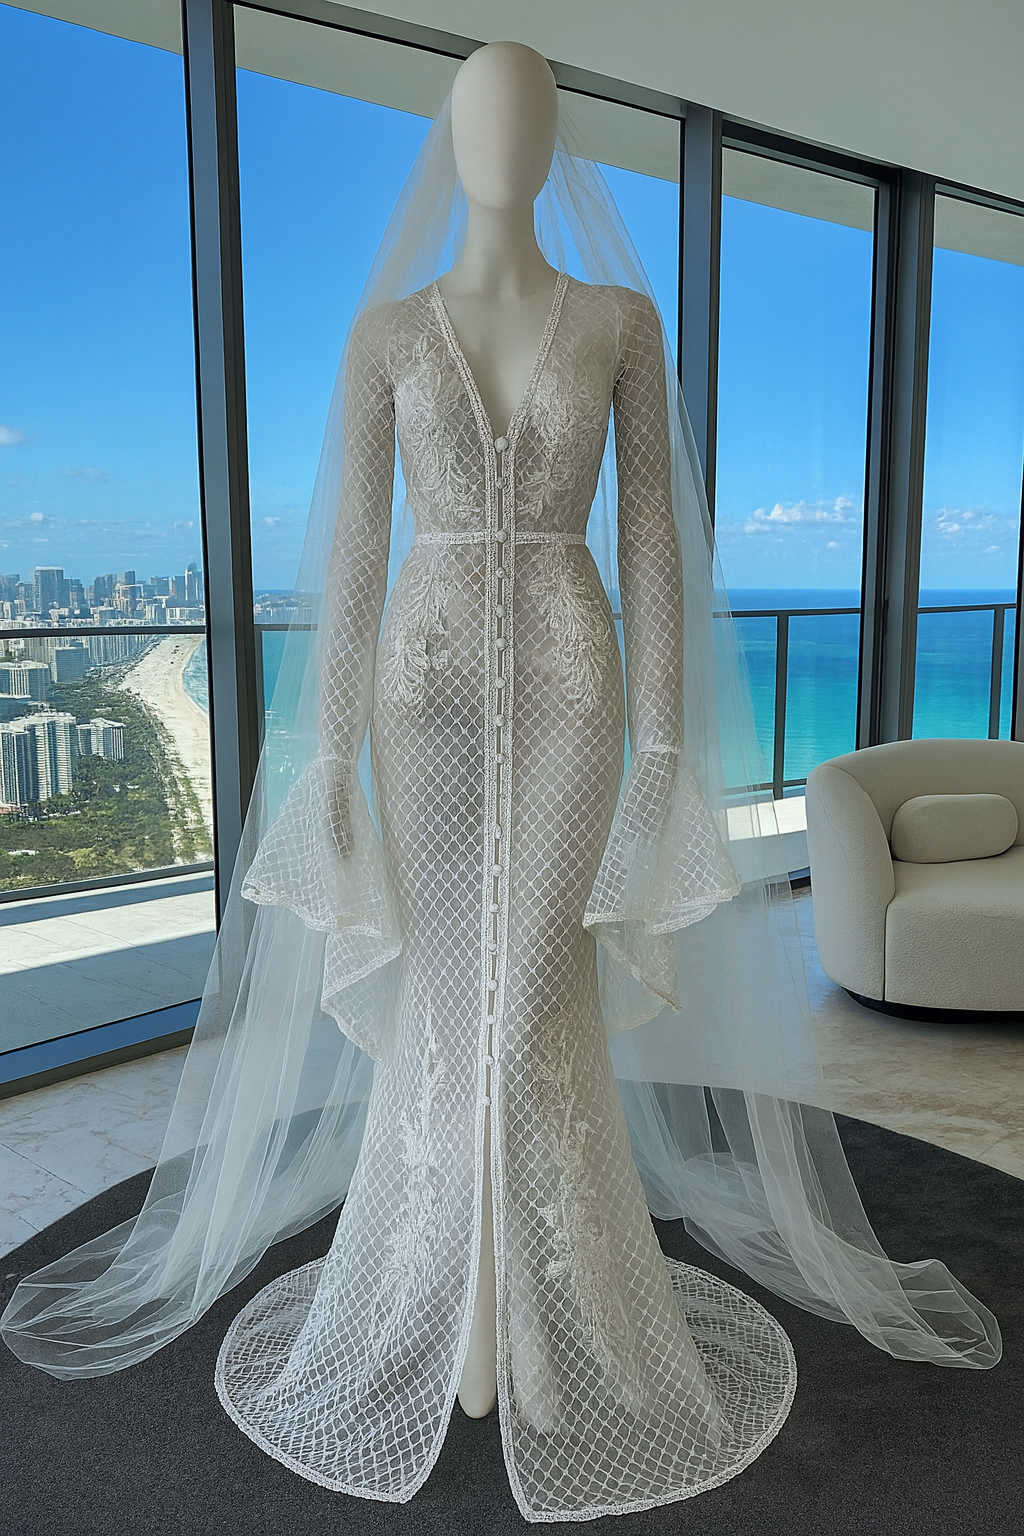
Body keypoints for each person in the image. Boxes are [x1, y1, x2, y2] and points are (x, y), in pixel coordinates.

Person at [2, 40, 999, 1527]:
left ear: (553, 138)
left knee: (531, 996)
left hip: (578, 689)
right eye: (483, 115)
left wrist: (668, 748)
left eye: (530, 116)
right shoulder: (387, 334)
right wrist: (327, 754)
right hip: (418, 691)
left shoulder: (620, 320)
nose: (507, 141)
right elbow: (349, 562)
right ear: (453, 136)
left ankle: (546, 1315)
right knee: (451, 997)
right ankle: (431, 1299)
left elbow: (655, 550)